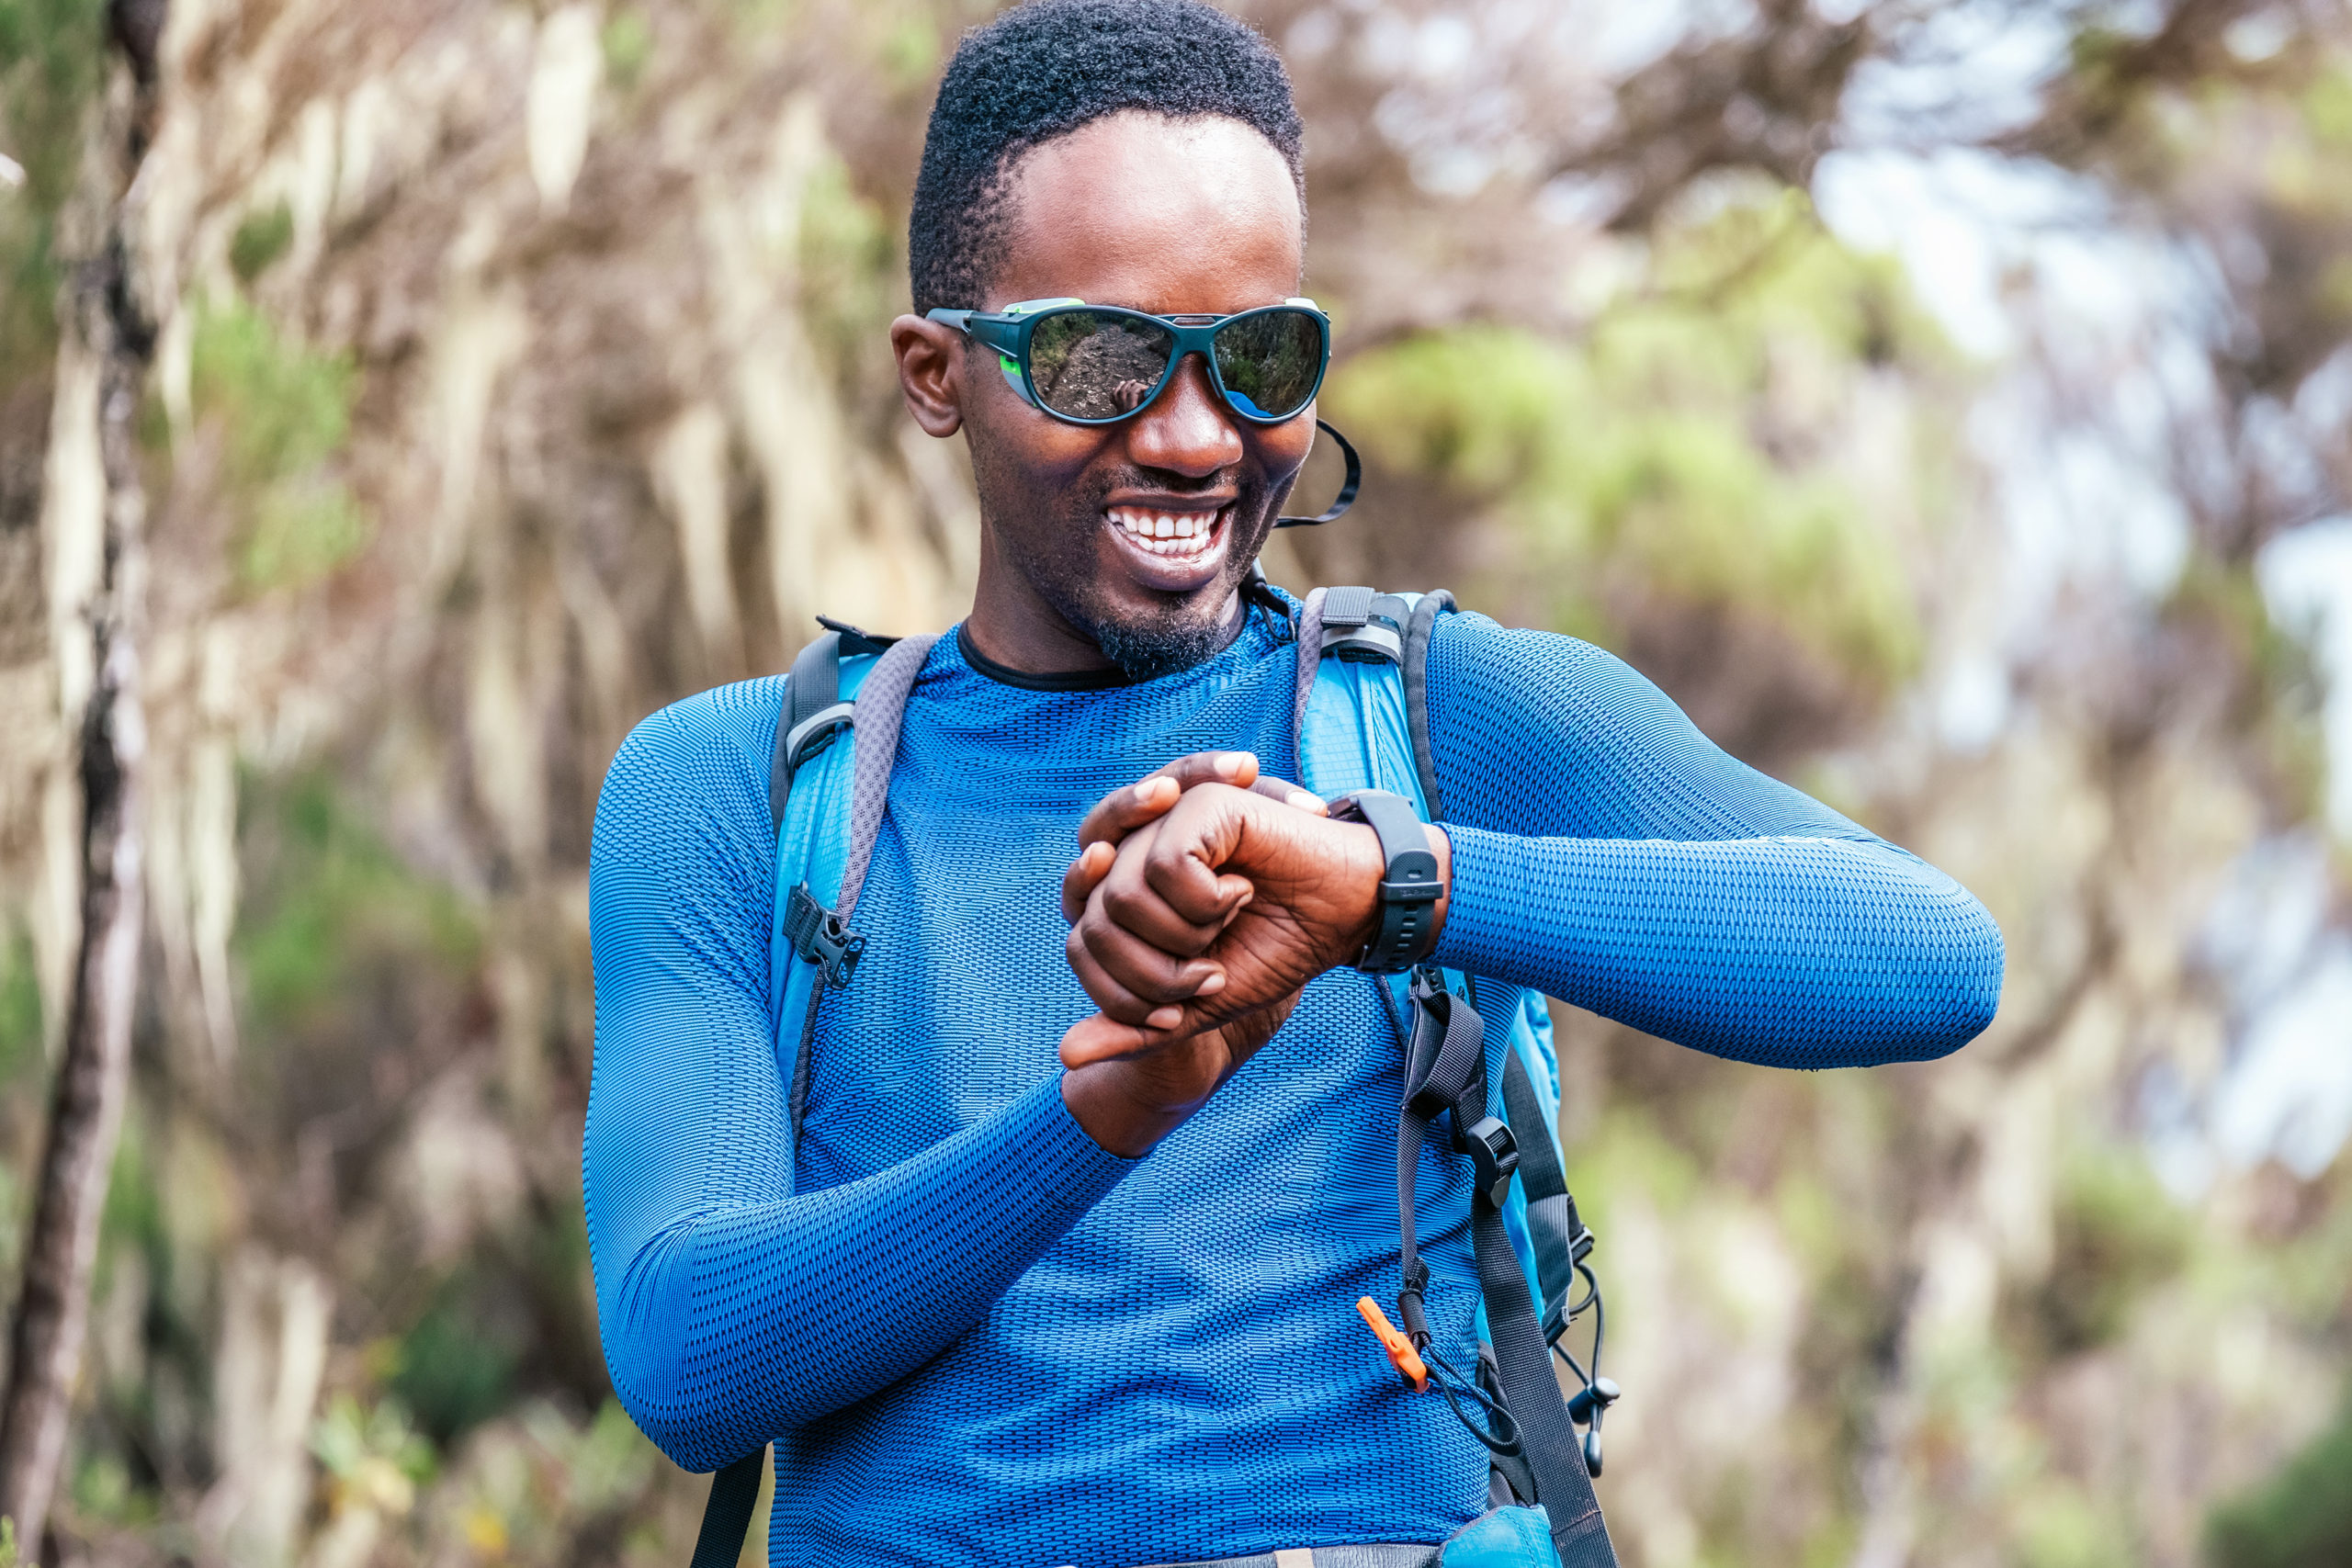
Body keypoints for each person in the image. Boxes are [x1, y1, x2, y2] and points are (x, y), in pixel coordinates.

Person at [582, 2, 2006, 1564]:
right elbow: (688, 1356)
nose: (1197, 439)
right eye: (1103, 360)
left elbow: (1926, 956)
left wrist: (1389, 885)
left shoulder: (1438, 712)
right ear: (938, 376)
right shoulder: (740, 785)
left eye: (1260, 358)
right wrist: (1105, 1114)